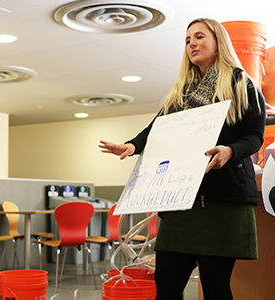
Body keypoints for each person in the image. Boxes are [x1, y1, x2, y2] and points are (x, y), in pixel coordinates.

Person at [99, 18, 265, 300]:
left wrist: (230, 150)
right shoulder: (180, 92)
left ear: (218, 42)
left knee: (215, 287)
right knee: (166, 287)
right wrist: (131, 146)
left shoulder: (241, 83)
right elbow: (156, 129)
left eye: (199, 37)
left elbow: (253, 137)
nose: (192, 44)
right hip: (179, 203)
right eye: (188, 40)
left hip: (223, 204)